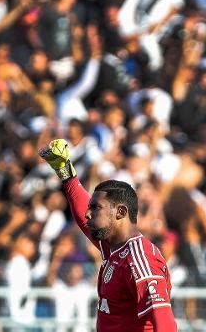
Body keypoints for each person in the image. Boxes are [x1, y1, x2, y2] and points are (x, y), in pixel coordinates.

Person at [38, 139, 177, 332]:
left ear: (120, 212)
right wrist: (67, 175)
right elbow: (81, 215)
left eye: (96, 208)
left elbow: (165, 323)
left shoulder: (139, 257)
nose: (88, 213)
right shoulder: (112, 247)